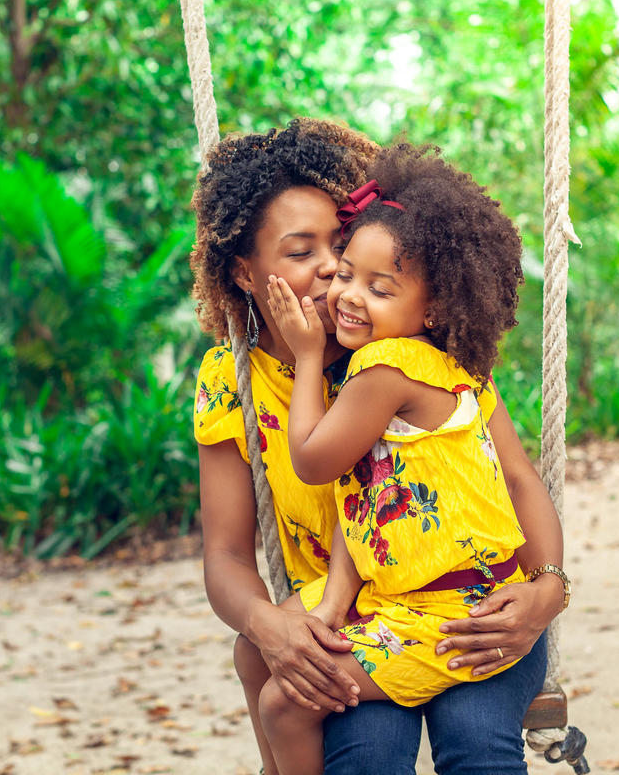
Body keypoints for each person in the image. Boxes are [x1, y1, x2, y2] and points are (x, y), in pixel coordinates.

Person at [191, 119, 567, 775]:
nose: (335, 269)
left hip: (451, 607)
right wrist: (265, 622)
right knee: (350, 738)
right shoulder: (235, 384)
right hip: (349, 618)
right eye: (301, 251)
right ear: (248, 273)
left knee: (478, 743)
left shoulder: (412, 356)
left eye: (340, 242)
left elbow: (515, 478)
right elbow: (225, 554)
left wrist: (547, 589)